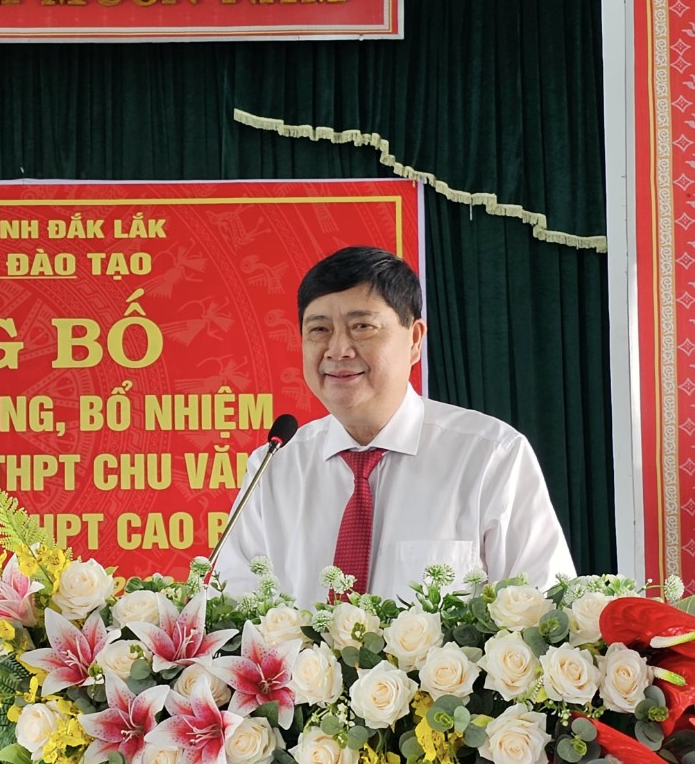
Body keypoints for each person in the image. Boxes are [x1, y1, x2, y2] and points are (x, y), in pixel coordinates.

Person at [217, 245, 575, 606]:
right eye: (319, 329)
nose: (338, 349)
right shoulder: (274, 467)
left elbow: (544, 607)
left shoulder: (490, 456)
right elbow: (230, 609)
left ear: (415, 339)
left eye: (362, 327)